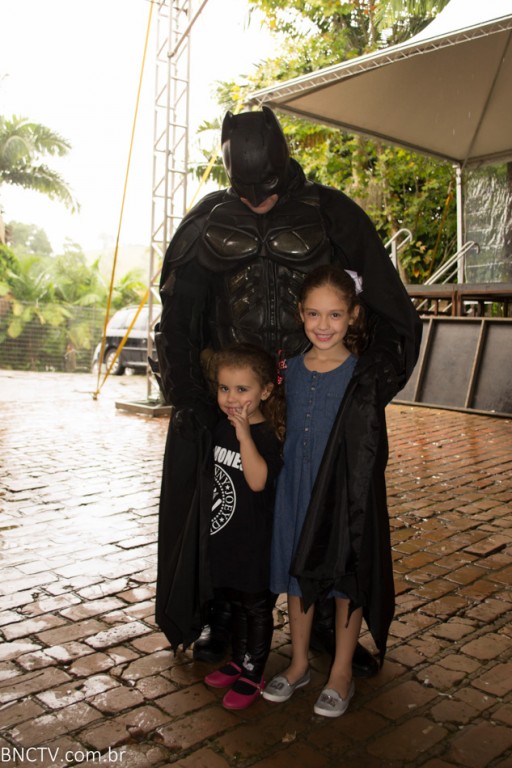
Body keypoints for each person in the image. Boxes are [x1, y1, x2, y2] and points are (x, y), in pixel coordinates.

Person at [154, 106, 422, 675]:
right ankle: (222, 612)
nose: (257, 201)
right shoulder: (207, 220)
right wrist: (193, 401)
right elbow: (176, 320)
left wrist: (365, 390)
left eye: (267, 189)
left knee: (325, 506)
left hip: (315, 397)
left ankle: (324, 619)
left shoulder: (333, 215)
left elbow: (390, 312)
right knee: (226, 512)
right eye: (245, 190)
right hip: (236, 401)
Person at [263, 265, 372, 717]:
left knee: (346, 578)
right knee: (297, 574)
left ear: (353, 315)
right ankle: (299, 662)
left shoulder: (361, 374)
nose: (323, 325)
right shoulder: (288, 369)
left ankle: (341, 672)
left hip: (342, 496)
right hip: (295, 491)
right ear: (300, 313)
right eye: (313, 314)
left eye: (335, 315)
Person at [202, 343, 284, 709]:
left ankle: (254, 672)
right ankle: (238, 659)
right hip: (226, 538)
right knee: (234, 603)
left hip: (255, 544)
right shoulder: (221, 428)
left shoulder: (266, 436)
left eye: (242, 389)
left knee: (255, 608)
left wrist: (245, 436)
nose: (231, 398)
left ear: (265, 391)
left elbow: (257, 481)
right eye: (224, 388)